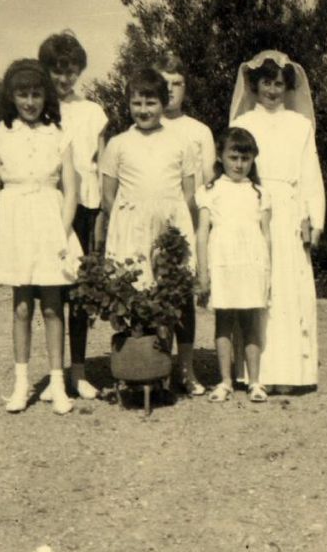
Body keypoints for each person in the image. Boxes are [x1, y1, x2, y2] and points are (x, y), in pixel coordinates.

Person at [0, 58, 81, 415]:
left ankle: (57, 384)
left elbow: (70, 189)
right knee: (22, 306)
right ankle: (22, 384)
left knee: (54, 306)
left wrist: (63, 232)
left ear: (46, 97)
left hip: (50, 223)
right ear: (11, 97)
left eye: (36, 94)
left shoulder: (59, 134)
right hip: (15, 226)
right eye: (22, 95)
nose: (30, 102)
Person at [229, 50, 325, 391]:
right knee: (258, 289)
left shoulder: (300, 126)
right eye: (267, 82)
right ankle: (258, 374)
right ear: (255, 85)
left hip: (288, 212)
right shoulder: (243, 124)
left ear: (288, 88)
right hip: (252, 210)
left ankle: (290, 374)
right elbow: (233, 170)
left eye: (279, 84)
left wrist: (312, 218)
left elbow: (310, 175)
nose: (272, 90)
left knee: (289, 291)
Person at [99, 68, 199, 387]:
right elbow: (108, 196)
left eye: (151, 103)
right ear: (128, 104)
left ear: (164, 103)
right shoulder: (118, 144)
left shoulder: (181, 142)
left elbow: (189, 193)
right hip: (132, 231)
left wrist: (176, 227)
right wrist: (127, 226)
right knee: (135, 291)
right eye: (137, 103)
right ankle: (141, 367)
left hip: (170, 230)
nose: (143, 110)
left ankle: (184, 368)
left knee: (178, 294)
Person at [37, 30, 108, 402]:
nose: (65, 79)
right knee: (52, 293)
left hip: (85, 206)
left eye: (72, 71)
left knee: (81, 293)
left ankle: (79, 373)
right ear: (46, 70)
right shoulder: (40, 112)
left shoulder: (93, 111)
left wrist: (98, 214)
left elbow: (100, 163)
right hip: (51, 206)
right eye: (57, 71)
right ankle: (56, 376)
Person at [153, 53, 217, 396]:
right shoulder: (146, 125)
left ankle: (187, 367)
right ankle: (158, 367)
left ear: (186, 88)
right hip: (151, 220)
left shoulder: (199, 132)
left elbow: (205, 184)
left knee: (183, 298)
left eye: (178, 84)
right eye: (164, 84)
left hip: (187, 218)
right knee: (154, 292)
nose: (171, 90)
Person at [195, 128, 272, 403]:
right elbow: (202, 233)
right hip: (223, 263)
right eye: (233, 157)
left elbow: (266, 235)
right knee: (224, 322)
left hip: (251, 263)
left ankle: (254, 382)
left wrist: (268, 271)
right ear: (221, 157)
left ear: (253, 160)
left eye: (245, 158)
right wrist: (202, 271)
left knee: (251, 323)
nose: (239, 164)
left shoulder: (259, 192)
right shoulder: (209, 191)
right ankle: (225, 380)